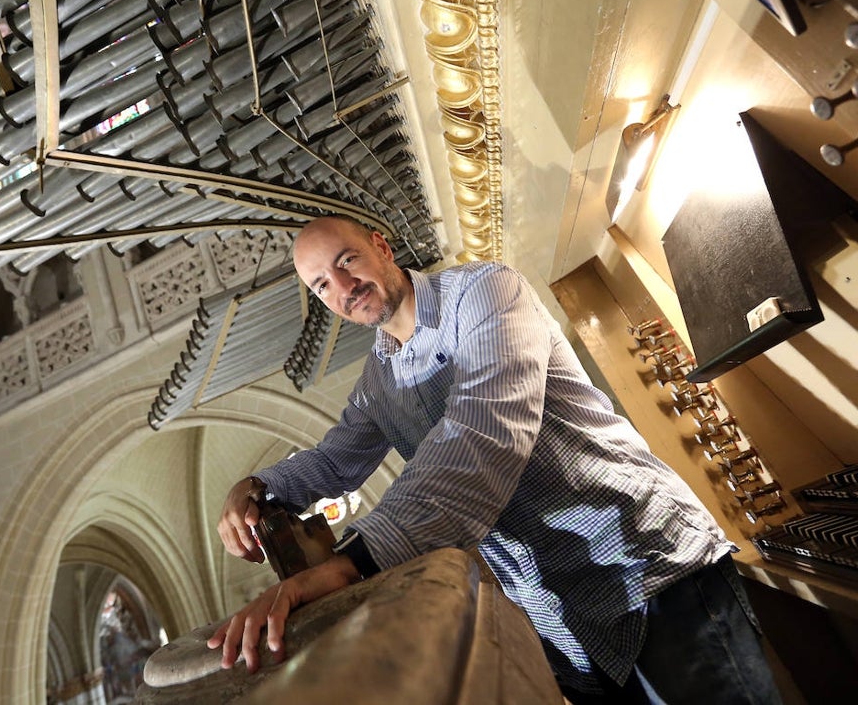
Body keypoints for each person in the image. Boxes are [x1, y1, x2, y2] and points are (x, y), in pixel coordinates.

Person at [207, 215, 781, 704]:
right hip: (559, 621)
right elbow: (334, 461)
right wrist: (257, 487)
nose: (342, 286)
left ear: (381, 246)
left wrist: (355, 560)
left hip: (646, 568)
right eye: (322, 285)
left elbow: (484, 431)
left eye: (347, 260)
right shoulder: (378, 380)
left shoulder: (486, 292)